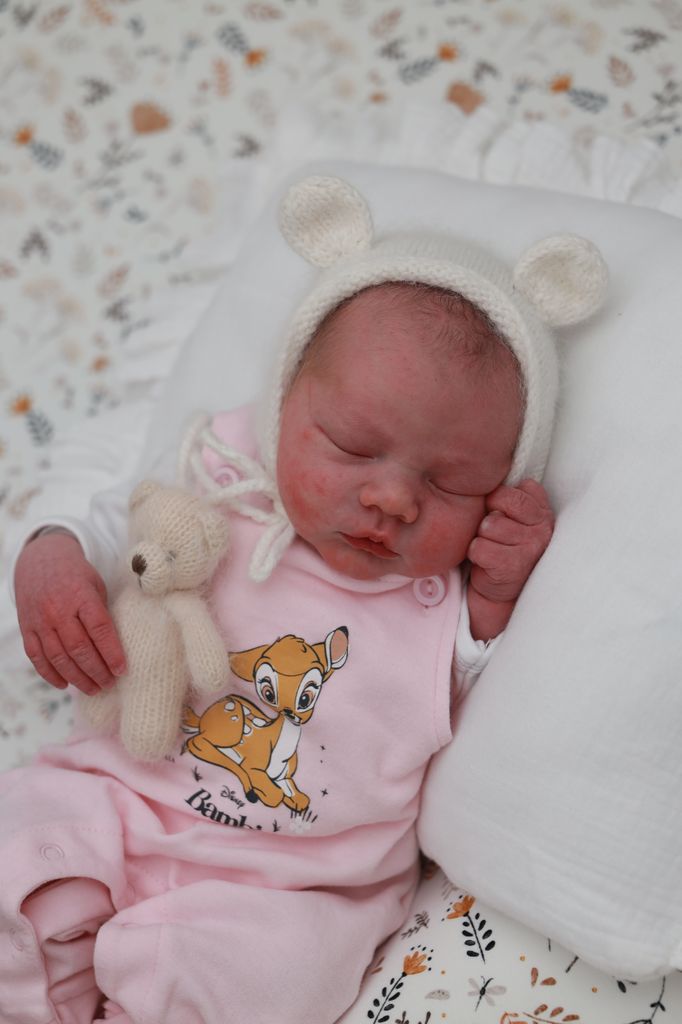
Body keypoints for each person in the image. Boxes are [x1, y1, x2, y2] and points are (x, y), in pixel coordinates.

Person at [1, 175, 605, 1024]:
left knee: (270, 979)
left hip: (295, 886)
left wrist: (504, 582)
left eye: (450, 483)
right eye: (353, 446)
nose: (393, 499)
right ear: (283, 408)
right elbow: (110, 525)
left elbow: (492, 678)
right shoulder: (219, 479)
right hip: (113, 800)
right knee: (19, 853)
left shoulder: (456, 600)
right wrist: (50, 554)